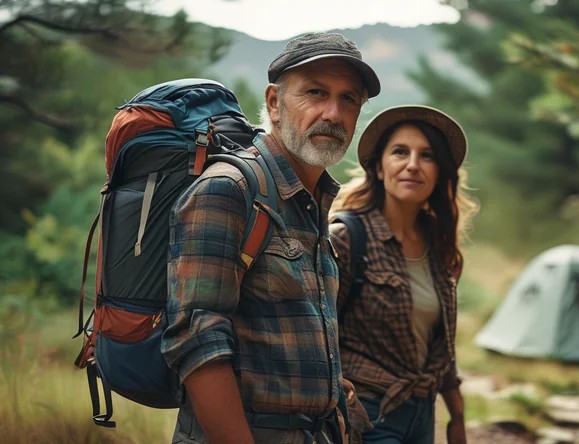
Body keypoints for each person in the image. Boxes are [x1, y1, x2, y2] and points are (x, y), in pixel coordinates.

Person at [162, 32, 380, 444]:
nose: (333, 113)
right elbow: (198, 344)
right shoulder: (229, 190)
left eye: (348, 99)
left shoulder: (311, 203)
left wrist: (329, 390)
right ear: (275, 103)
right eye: (315, 92)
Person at [330, 105, 478, 443]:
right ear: (379, 168)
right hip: (368, 412)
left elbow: (438, 344)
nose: (412, 164)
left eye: (426, 156)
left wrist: (456, 416)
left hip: (421, 413)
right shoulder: (346, 237)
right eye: (400, 152)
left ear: (439, 172)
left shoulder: (437, 242)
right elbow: (316, 331)